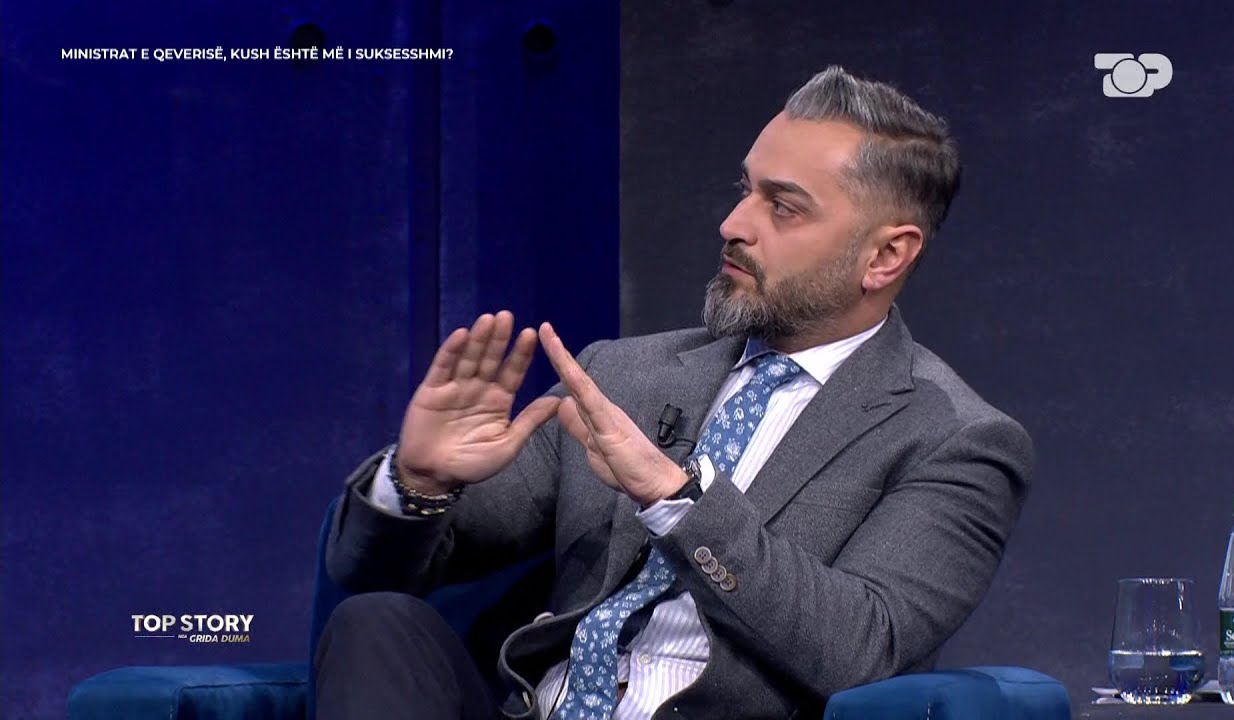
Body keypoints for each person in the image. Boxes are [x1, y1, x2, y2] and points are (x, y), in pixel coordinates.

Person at [315, 65, 1033, 720]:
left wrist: (676, 501)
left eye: (783, 207)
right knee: (378, 624)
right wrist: (420, 483)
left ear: (885, 255)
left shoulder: (953, 439)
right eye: (745, 190)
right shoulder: (624, 375)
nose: (734, 225)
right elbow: (373, 573)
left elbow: (863, 650)